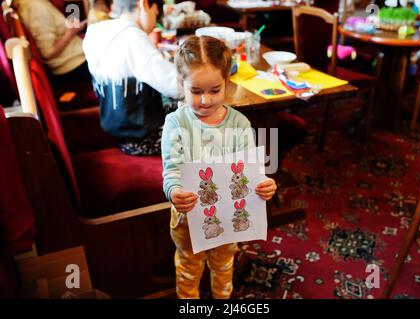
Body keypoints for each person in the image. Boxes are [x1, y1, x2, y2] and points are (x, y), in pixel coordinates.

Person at [161, 35, 277, 299]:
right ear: (182, 84)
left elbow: (252, 173)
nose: (205, 100)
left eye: (215, 90)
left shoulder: (239, 124)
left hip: (228, 218)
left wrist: (265, 185)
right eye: (196, 91)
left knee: (224, 267)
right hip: (188, 220)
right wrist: (174, 190)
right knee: (189, 269)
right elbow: (171, 169)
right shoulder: (176, 123)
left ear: (228, 81)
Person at [83, 0, 179, 155]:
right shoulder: (133, 38)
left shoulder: (94, 32)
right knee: (206, 121)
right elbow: (176, 87)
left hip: (118, 131)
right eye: (156, 13)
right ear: (144, 4)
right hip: (144, 138)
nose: (155, 21)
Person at [14, 0, 92, 85]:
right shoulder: (35, 7)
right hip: (72, 65)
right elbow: (48, 52)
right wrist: (71, 32)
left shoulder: (36, 3)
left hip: (76, 56)